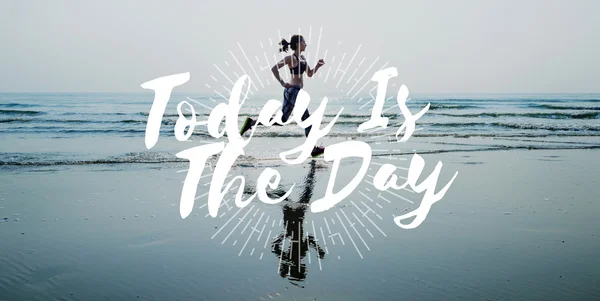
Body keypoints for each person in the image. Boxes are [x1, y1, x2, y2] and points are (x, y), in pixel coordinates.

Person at [239, 34, 326, 158]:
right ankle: (313, 150)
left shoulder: (302, 58)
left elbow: (310, 73)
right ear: (298, 44)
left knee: (282, 120)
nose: (306, 44)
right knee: (307, 120)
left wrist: (317, 66)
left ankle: (251, 123)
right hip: (293, 92)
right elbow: (274, 68)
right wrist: (282, 82)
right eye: (304, 42)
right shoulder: (291, 58)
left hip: (294, 92)